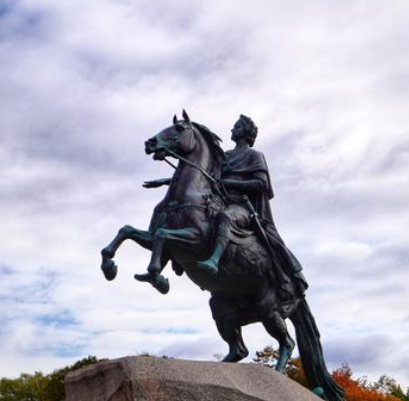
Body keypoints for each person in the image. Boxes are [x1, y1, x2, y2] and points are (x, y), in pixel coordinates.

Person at [197, 115, 308, 297]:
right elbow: (206, 178)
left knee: (225, 217)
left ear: (246, 132)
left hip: (242, 207)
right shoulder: (225, 156)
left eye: (236, 127)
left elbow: (261, 184)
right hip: (220, 201)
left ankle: (214, 260)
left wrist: (231, 182)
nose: (232, 130)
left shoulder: (254, 155)